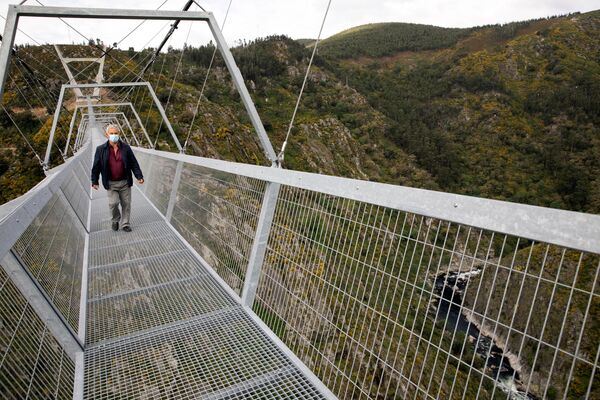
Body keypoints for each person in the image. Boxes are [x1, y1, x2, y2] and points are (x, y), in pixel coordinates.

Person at [91, 124, 144, 232]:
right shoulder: (100, 149)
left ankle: (125, 224)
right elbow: (96, 166)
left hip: (125, 181)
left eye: (116, 133)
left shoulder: (126, 148)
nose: (114, 135)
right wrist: (94, 181)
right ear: (107, 135)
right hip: (111, 183)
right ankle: (115, 220)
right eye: (111, 133)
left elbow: (133, 162)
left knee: (126, 203)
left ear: (119, 134)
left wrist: (139, 176)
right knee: (113, 203)